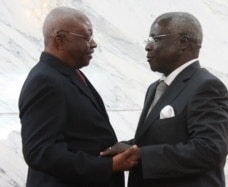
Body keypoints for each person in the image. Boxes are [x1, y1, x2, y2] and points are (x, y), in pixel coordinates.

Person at [101, 12, 228, 187]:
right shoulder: (154, 88)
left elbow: (209, 149)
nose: (148, 47)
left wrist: (140, 154)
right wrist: (129, 147)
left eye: (156, 39)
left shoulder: (206, 87)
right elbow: (162, 140)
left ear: (182, 43)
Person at [18, 7, 138, 187]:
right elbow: (40, 151)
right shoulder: (45, 80)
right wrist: (108, 165)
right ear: (60, 41)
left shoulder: (68, 74)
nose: (94, 44)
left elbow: (82, 138)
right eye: (87, 37)